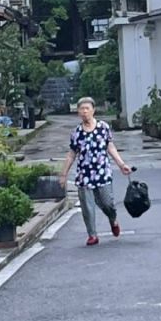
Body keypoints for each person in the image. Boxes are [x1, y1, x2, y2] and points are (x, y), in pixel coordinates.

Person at [58, 97, 133, 246]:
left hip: (102, 172)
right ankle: (92, 234)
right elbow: (72, 154)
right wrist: (64, 174)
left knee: (107, 203)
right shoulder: (77, 132)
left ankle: (113, 220)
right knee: (87, 206)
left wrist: (121, 164)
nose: (84, 112)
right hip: (84, 174)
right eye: (82, 109)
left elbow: (110, 147)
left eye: (87, 108)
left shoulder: (103, 127)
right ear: (78, 112)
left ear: (93, 110)